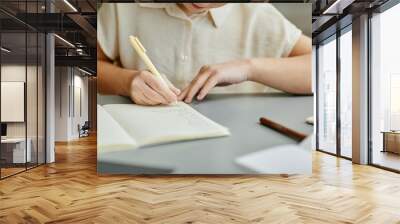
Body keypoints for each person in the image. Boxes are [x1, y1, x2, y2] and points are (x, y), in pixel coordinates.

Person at [98, 3, 312, 106]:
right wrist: (126, 82)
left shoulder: (258, 15)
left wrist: (249, 67)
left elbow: (324, 68)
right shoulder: (122, 7)